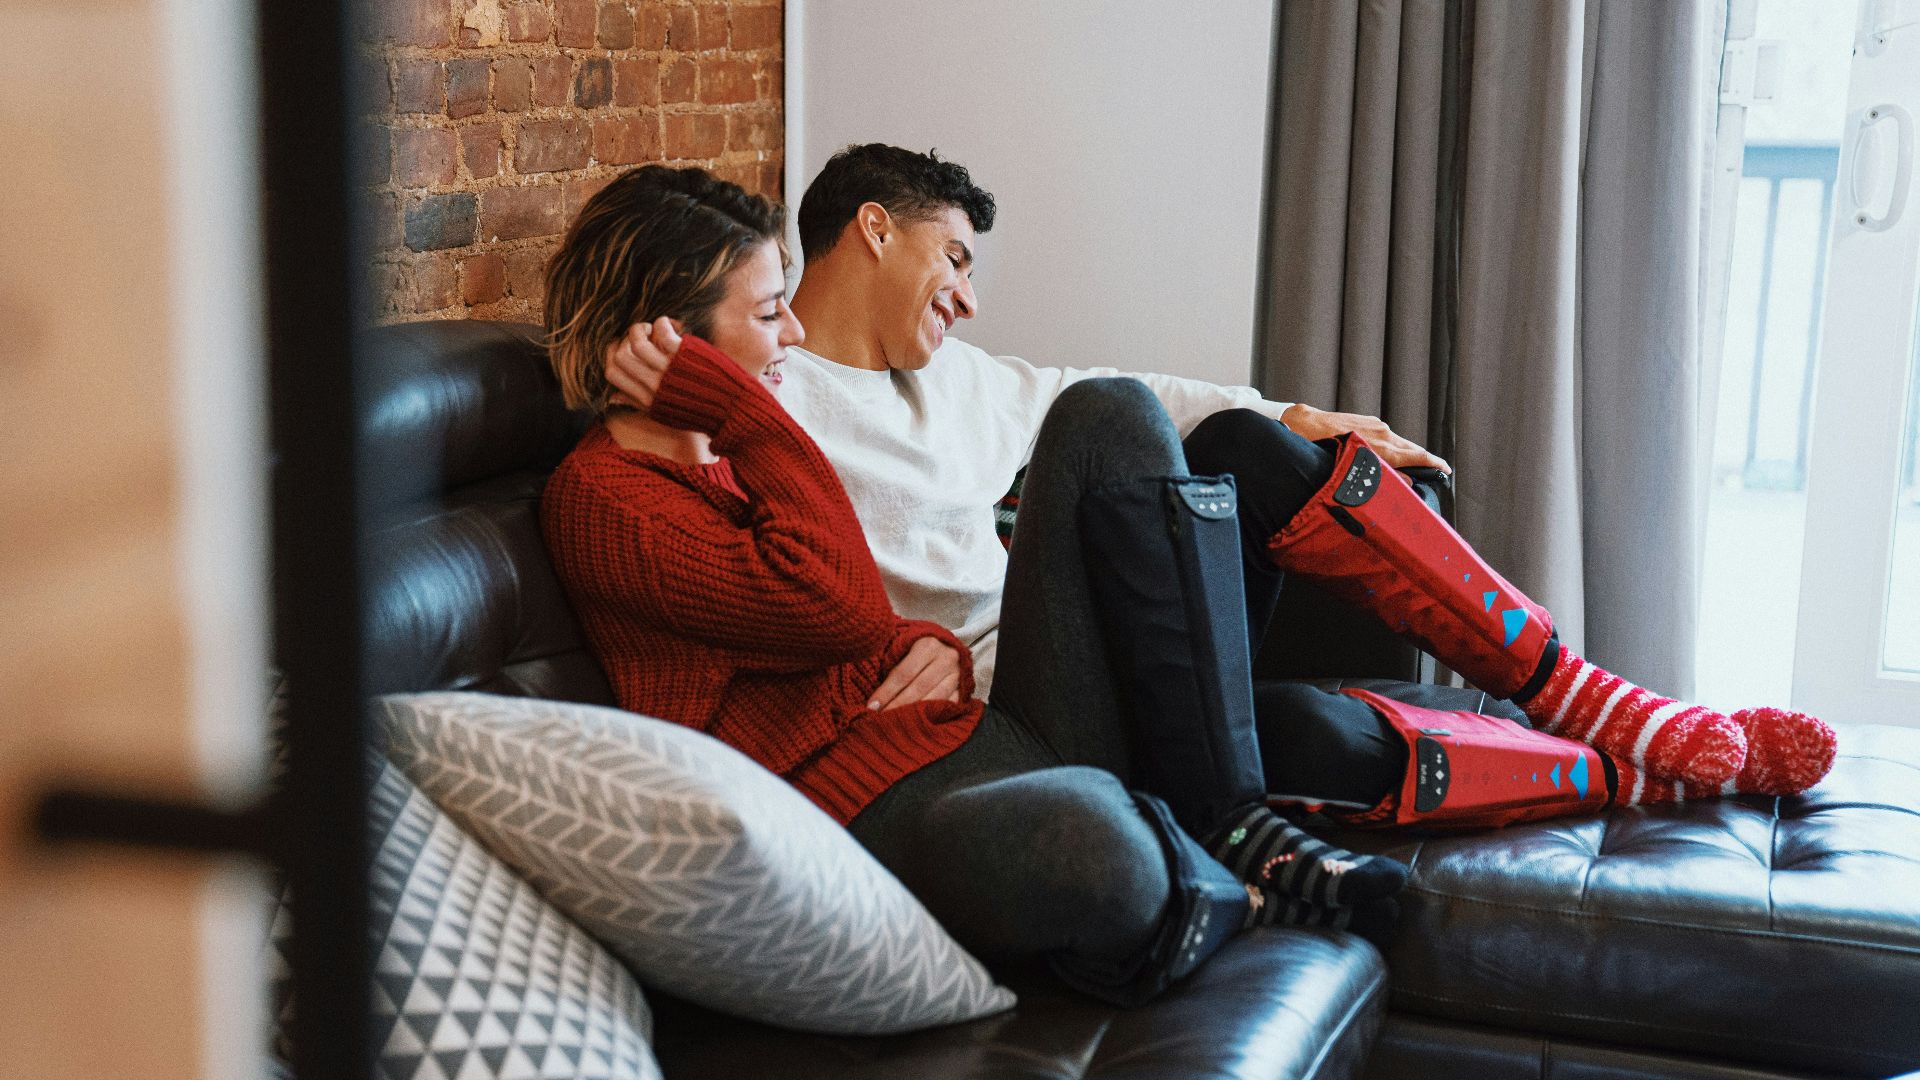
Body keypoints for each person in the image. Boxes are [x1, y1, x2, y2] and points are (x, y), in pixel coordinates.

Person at [601, 144, 1837, 815]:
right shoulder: (764, 399)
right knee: (1312, 735)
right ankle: (1617, 755)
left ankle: (1590, 712)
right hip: (1009, 705)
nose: (967, 294)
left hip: (1116, 669)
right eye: (953, 256)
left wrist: (1301, 413)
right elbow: (780, 591)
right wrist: (897, 654)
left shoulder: (969, 381)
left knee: (1228, 440)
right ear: (873, 227)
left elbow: (1148, 398)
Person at [538, 165, 1411, 1010]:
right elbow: (833, 604)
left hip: (975, 731)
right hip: (852, 811)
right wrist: (745, 411)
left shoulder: (729, 456)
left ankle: (1225, 826)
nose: (794, 335)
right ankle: (1205, 864)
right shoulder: (611, 502)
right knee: (1097, 848)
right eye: (770, 313)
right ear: (672, 340)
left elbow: (864, 621)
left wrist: (933, 645)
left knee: (1111, 415)